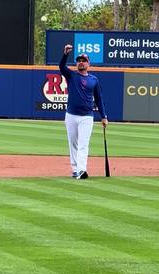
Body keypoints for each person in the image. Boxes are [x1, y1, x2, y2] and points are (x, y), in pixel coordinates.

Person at [59, 44, 108, 179]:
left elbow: (99, 98)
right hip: (71, 115)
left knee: (83, 144)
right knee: (73, 143)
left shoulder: (94, 79)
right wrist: (65, 54)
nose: (81, 62)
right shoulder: (71, 75)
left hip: (87, 116)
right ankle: (75, 169)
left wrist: (103, 116)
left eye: (83, 60)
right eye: (79, 60)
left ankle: (81, 170)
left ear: (88, 64)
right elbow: (62, 67)